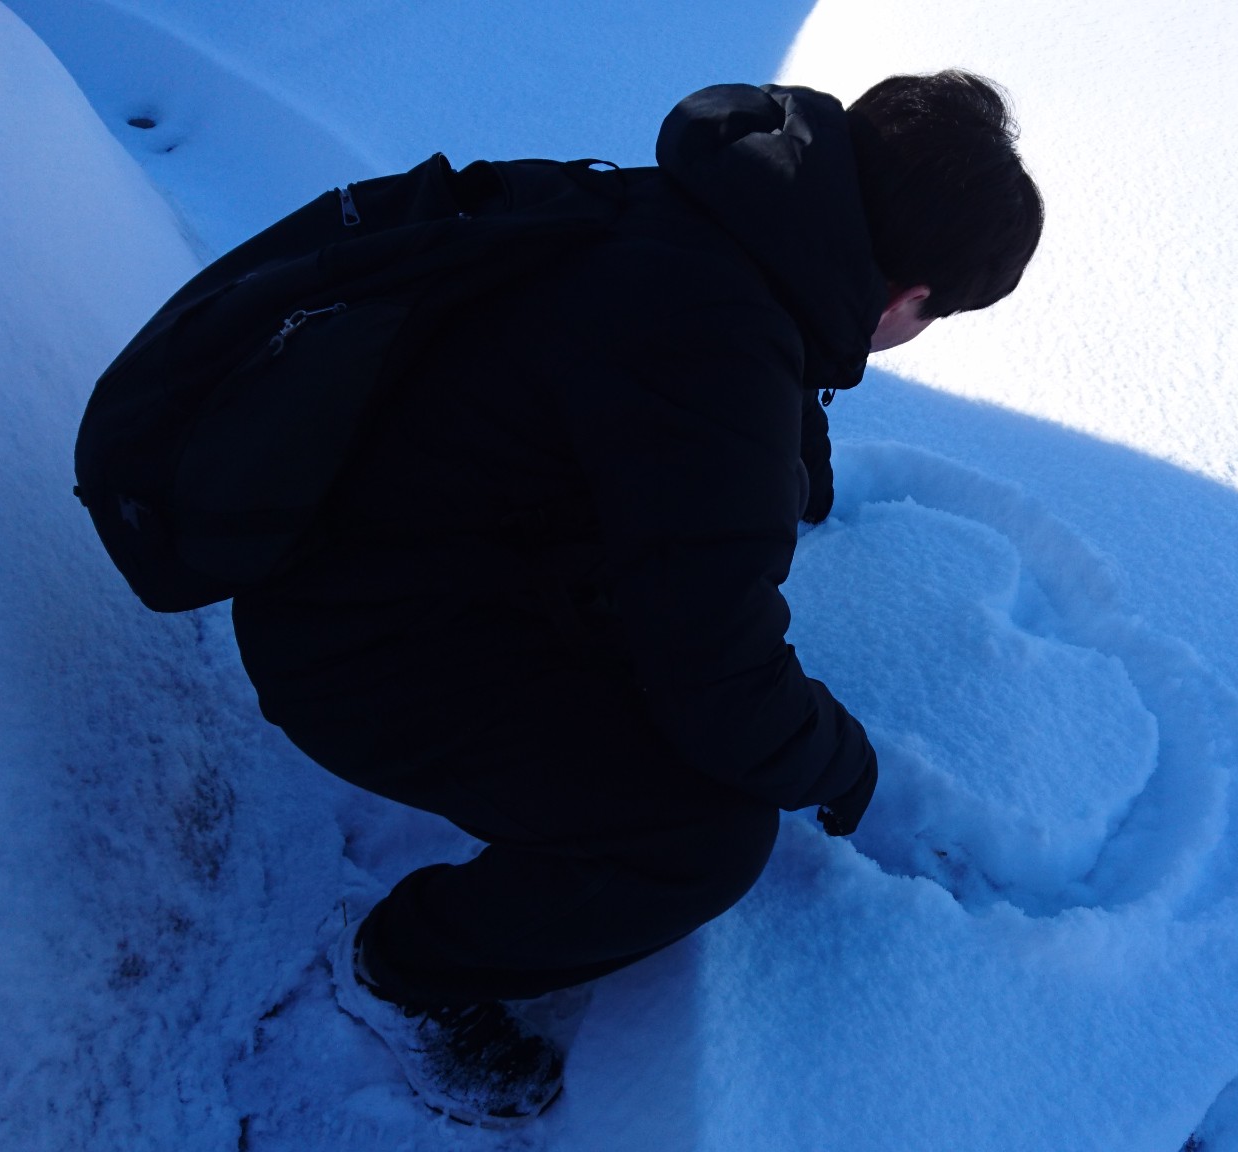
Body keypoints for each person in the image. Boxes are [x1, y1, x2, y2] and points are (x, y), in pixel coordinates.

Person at [230, 70, 1043, 1124]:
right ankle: (404, 971)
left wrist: (796, 455)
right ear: (908, 295)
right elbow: (717, 676)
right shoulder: (714, 347)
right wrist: (846, 771)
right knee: (700, 835)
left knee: (656, 673)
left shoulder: (716, 220)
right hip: (358, 645)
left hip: (381, 556)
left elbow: (742, 380)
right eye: (937, 313)